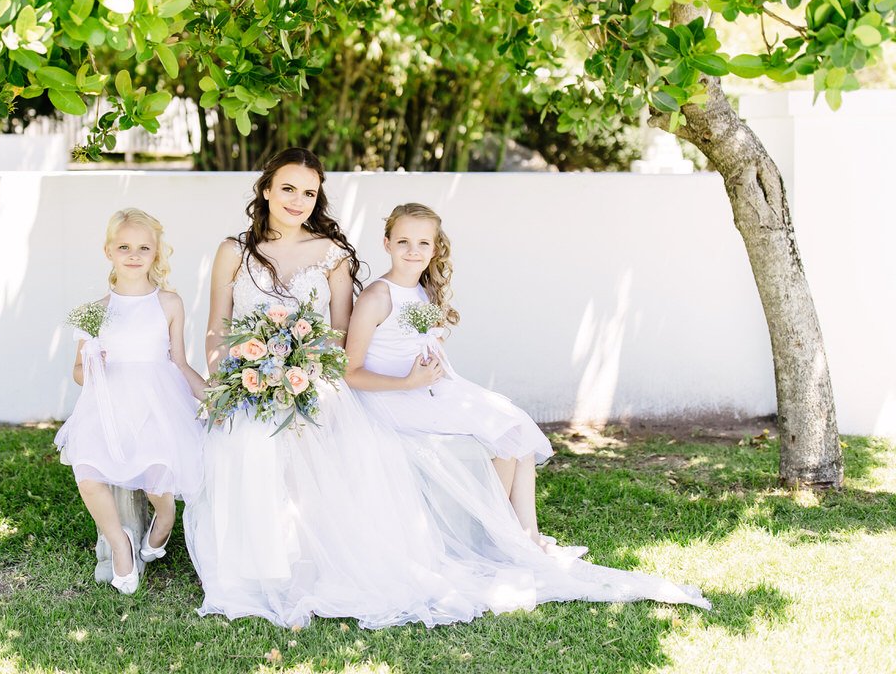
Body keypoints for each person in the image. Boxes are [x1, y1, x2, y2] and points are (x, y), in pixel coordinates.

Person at [184, 149, 710, 628]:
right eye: (288, 189)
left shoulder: (332, 256)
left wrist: (299, 368)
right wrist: (222, 378)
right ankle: (262, 564)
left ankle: (329, 559)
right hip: (247, 378)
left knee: (320, 439)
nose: (299, 200)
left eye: (309, 191)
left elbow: (341, 339)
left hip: (312, 377)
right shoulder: (235, 251)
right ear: (266, 191)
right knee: (246, 438)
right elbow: (217, 323)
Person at [344, 202, 572, 554]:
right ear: (386, 243)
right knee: (505, 436)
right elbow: (351, 372)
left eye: (423, 243)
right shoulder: (378, 296)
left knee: (516, 426)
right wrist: (408, 383)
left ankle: (525, 536)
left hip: (426, 390)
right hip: (391, 398)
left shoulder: (422, 290)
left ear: (434, 248)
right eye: (403, 241)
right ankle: (493, 536)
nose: (413, 251)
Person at [54, 208, 205, 595]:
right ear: (109, 251)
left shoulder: (169, 303)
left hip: (157, 402)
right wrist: (92, 365)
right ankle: (119, 543)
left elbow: (180, 361)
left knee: (158, 484)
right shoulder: (92, 312)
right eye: (124, 246)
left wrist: (213, 398)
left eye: (143, 247)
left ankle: (165, 521)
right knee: (87, 472)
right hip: (109, 404)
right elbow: (77, 371)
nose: (133, 254)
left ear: (156, 253)